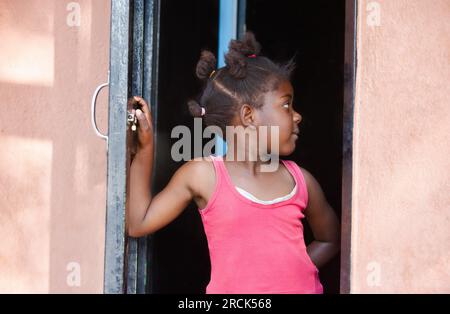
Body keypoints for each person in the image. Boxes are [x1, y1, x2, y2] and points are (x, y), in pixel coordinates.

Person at [127, 31, 340, 294]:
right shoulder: (204, 175)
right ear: (249, 116)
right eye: (286, 105)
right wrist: (145, 149)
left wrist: (288, 273)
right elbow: (138, 223)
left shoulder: (301, 181)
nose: (297, 116)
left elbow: (330, 238)